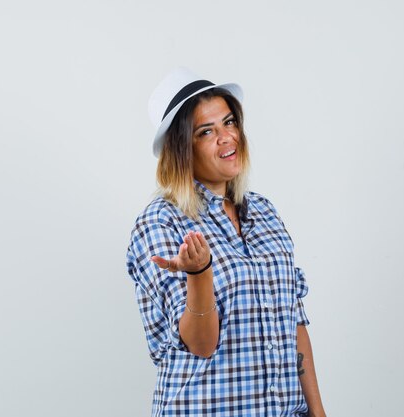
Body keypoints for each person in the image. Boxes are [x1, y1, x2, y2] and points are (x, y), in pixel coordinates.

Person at [126, 67, 326, 417]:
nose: (226, 138)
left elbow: (293, 321)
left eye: (229, 123)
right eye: (206, 131)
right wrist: (199, 272)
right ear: (182, 150)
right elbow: (200, 345)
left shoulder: (264, 211)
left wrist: (318, 412)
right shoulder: (161, 222)